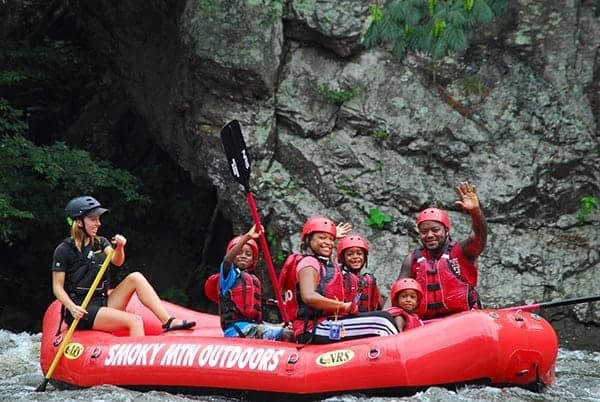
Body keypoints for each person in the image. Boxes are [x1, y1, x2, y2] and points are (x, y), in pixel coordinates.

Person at [51, 196, 196, 336]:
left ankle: (168, 321)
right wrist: (72, 308)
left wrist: (120, 247)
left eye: (98, 219)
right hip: (81, 310)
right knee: (135, 321)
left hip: (103, 302)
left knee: (135, 277)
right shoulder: (64, 250)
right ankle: (139, 360)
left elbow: (117, 261)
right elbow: (57, 287)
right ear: (79, 222)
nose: (98, 223)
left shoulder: (100, 242)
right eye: (93, 219)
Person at [292, 216, 398, 344]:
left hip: (327, 322)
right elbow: (308, 296)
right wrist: (342, 306)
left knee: (384, 317)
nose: (328, 242)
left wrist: (331, 233)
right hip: (312, 328)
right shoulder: (309, 262)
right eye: (322, 237)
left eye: (331, 239)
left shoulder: (324, 264)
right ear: (308, 240)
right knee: (382, 323)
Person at [396, 181, 487, 320]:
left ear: (446, 230)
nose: (430, 235)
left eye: (436, 230)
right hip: (426, 325)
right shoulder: (412, 259)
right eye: (424, 231)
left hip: (464, 320)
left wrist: (475, 212)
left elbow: (479, 237)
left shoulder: (462, 250)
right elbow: (397, 294)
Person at [216, 224, 292, 341]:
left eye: (248, 254)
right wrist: (248, 236)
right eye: (239, 253)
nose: (243, 256)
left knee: (290, 330)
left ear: (253, 260)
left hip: (251, 327)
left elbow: (258, 323)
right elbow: (227, 260)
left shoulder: (253, 279)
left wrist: (280, 325)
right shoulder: (229, 276)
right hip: (235, 329)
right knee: (287, 334)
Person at [337, 235, 384, 311]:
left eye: (359, 253)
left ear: (365, 258)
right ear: (342, 258)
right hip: (345, 319)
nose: (355, 257)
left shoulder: (369, 280)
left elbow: (381, 307)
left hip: (366, 319)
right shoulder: (338, 277)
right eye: (350, 254)